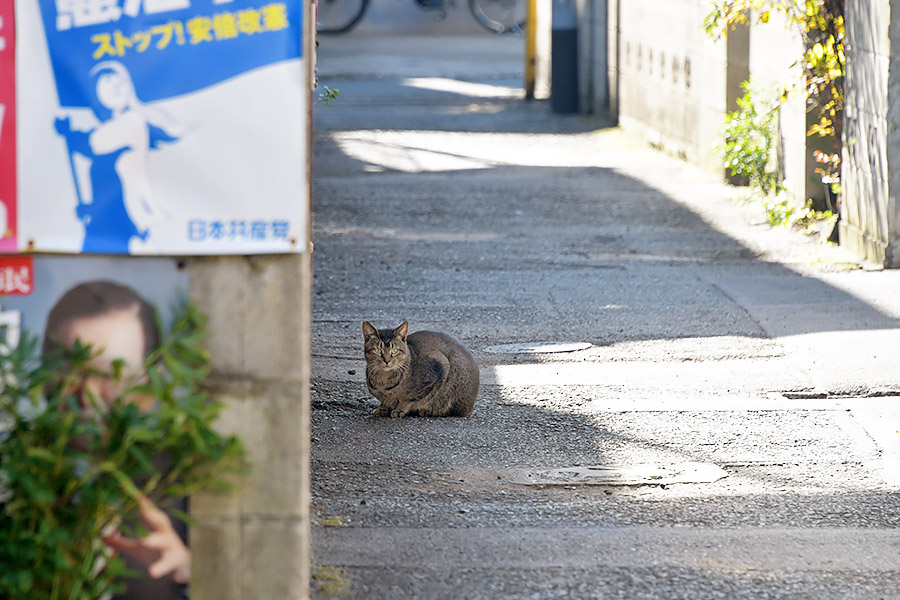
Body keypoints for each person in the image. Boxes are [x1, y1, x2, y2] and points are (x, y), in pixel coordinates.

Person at [42, 280, 190, 600]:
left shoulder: (189, 487)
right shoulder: (15, 476)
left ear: (150, 388)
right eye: (70, 372)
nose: (87, 396)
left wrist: (189, 575)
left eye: (111, 376)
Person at [54, 61, 182, 254]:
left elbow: (92, 144)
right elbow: (111, 183)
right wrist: (91, 209)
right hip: (107, 228)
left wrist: (69, 133)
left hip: (131, 229)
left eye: (120, 81)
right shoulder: (112, 127)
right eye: (106, 81)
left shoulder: (133, 121)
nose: (114, 87)